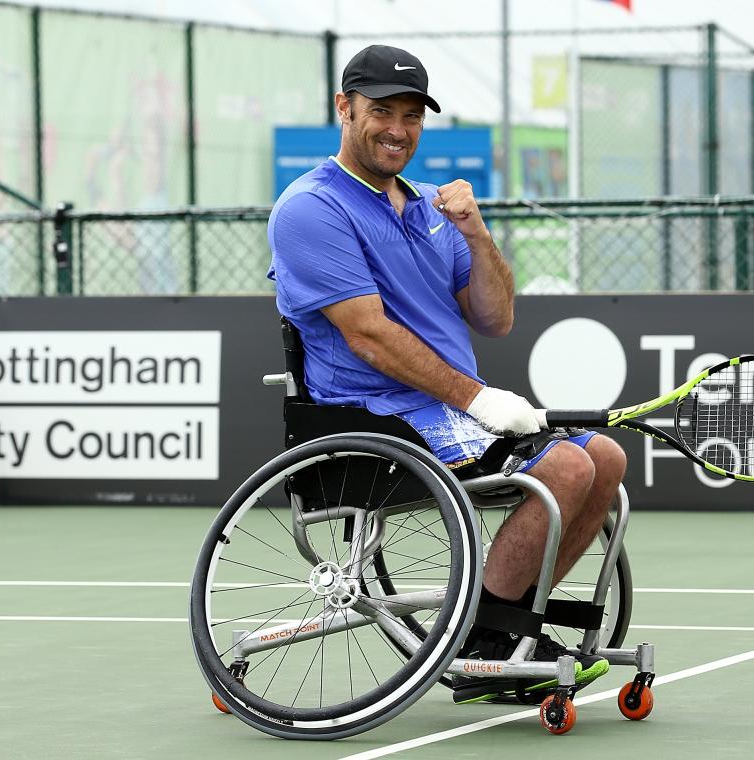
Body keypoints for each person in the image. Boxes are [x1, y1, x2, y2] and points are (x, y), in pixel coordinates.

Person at [267, 44, 626, 704]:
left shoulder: (434, 206)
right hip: (371, 418)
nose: (397, 129)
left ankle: (498, 630)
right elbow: (369, 336)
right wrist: (481, 398)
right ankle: (486, 639)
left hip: (446, 411)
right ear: (344, 109)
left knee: (604, 457)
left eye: (410, 115)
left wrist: (478, 235)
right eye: (381, 111)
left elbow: (495, 319)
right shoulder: (311, 208)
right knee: (568, 468)